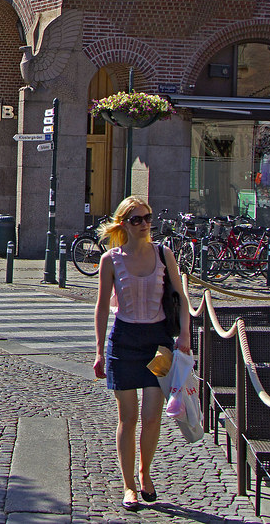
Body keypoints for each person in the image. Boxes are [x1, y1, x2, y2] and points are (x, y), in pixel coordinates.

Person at [92, 196, 190, 511]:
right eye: (137, 219)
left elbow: (181, 296)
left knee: (152, 416)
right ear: (124, 224)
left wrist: (186, 334)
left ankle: (145, 473)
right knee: (128, 417)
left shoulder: (164, 254)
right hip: (122, 342)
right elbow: (102, 306)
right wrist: (98, 351)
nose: (145, 224)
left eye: (147, 218)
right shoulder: (111, 259)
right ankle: (129, 485)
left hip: (159, 342)